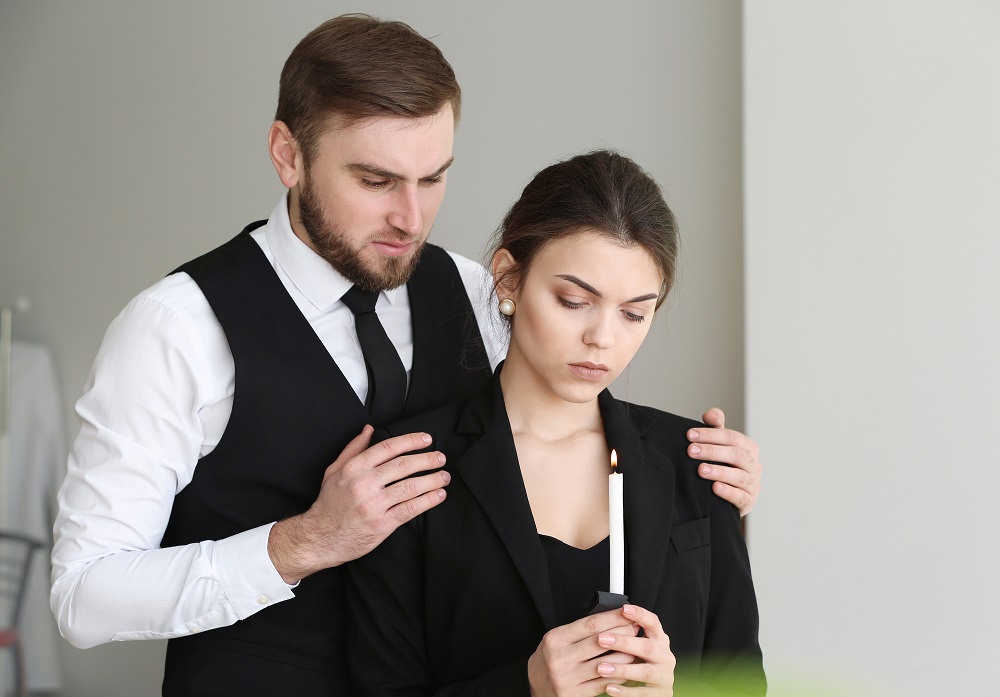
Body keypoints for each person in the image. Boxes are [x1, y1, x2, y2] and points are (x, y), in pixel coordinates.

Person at [49, 14, 762, 697]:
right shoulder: (176, 328)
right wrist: (301, 542)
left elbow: (552, 437)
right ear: (287, 154)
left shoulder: (475, 290)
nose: (411, 217)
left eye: (433, 178)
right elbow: (82, 597)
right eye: (376, 180)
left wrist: (701, 485)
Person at [344, 150, 765, 697]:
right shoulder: (412, 467)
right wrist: (527, 687)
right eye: (573, 301)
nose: (603, 338)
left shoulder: (698, 464)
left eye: (634, 313)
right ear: (508, 280)